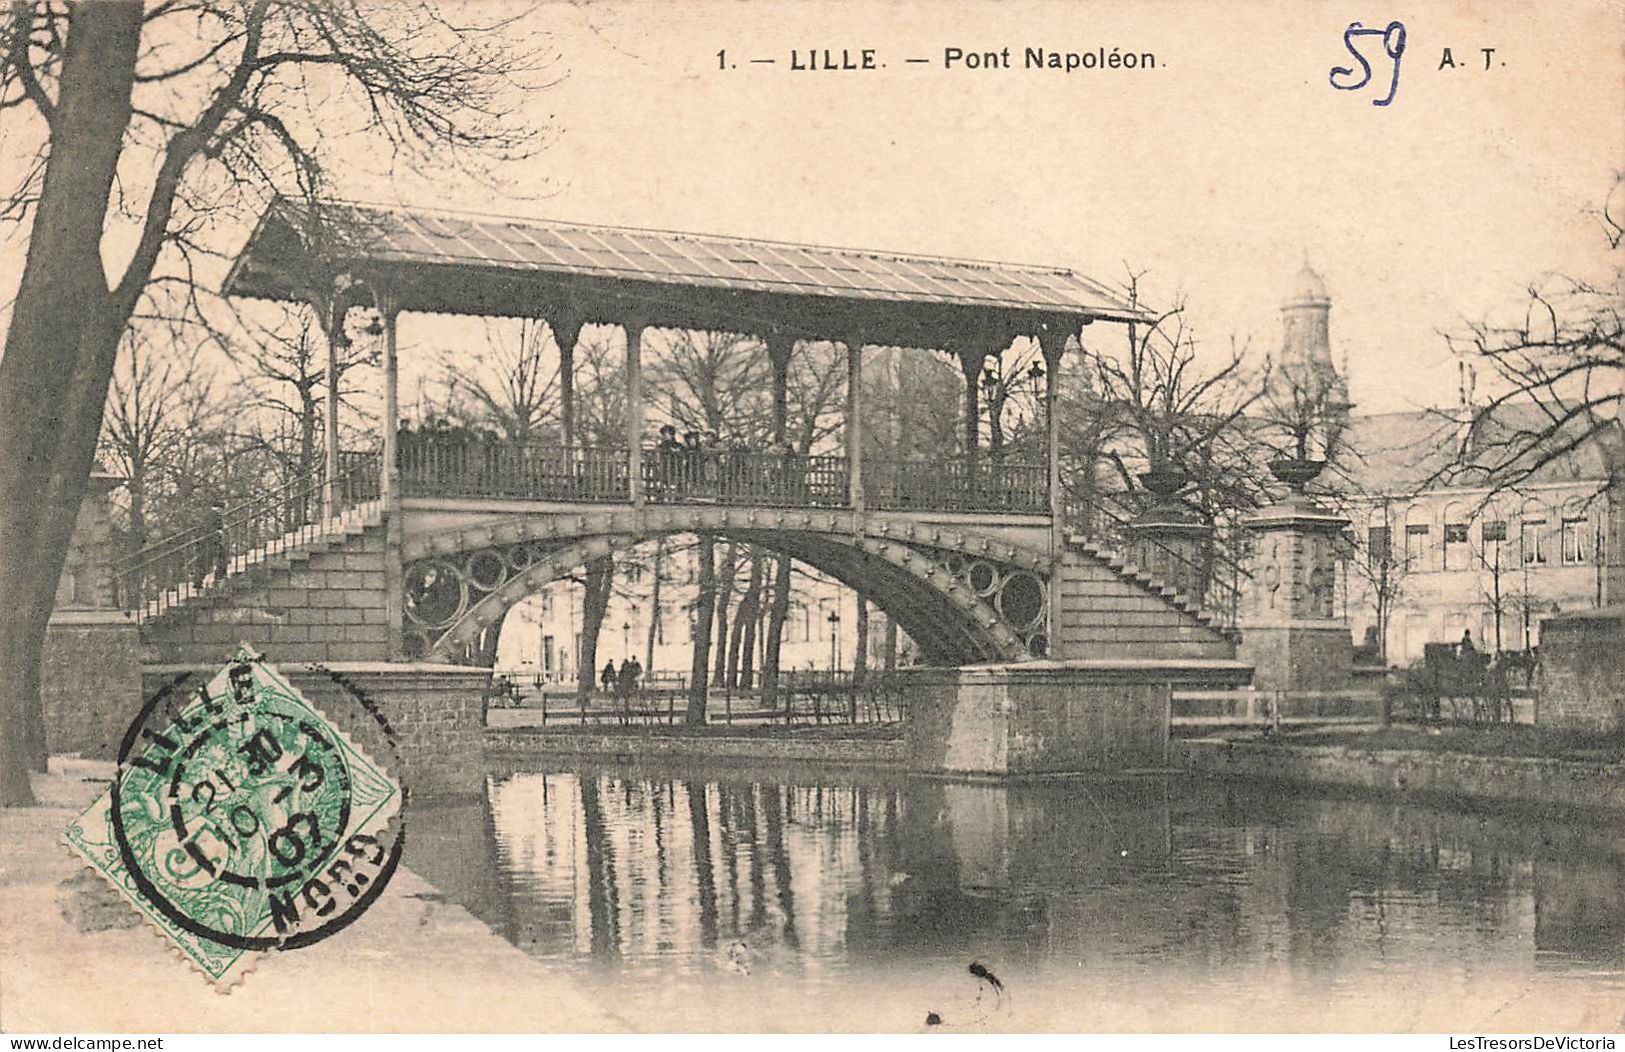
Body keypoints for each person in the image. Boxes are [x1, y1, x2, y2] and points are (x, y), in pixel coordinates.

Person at [194, 499, 227, 588]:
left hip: (204, 542)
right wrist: (219, 532)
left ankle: (198, 582)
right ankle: (219, 575)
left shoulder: (207, 515)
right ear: (220, 509)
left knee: (204, 562)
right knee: (217, 558)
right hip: (210, 542)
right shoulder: (215, 515)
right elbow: (212, 528)